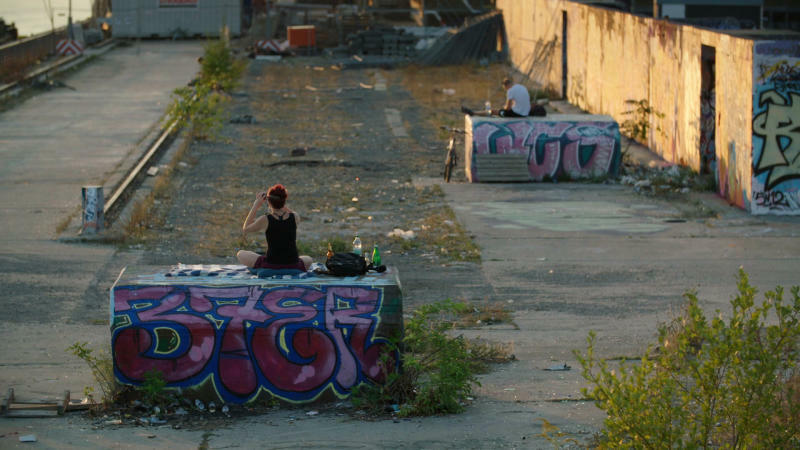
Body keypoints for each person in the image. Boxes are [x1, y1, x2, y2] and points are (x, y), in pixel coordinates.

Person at [236, 184, 312, 271]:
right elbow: (287, 211)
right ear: (284, 201)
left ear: (269, 202)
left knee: (241, 254)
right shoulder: (295, 217)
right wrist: (279, 203)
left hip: (271, 264)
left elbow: (245, 229)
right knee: (308, 259)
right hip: (293, 264)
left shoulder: (265, 219)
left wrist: (256, 205)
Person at [462, 77, 534, 117]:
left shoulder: (510, 91)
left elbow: (508, 108)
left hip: (518, 114)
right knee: (499, 111)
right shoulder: (521, 87)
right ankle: (475, 112)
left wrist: (504, 108)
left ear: (506, 86)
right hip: (526, 112)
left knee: (493, 111)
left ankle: (474, 113)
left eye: (505, 88)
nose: (506, 90)